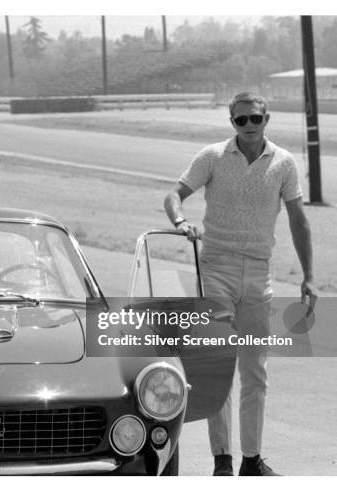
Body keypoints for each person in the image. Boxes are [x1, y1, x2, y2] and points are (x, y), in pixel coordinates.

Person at [163, 92, 316, 476]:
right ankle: (222, 461)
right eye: (240, 120)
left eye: (255, 119)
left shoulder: (283, 163)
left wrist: (309, 277)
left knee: (255, 371)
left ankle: (251, 460)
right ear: (231, 122)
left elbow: (299, 220)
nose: (248, 126)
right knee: (219, 368)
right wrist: (181, 222)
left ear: (268, 119)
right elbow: (174, 195)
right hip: (217, 269)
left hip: (259, 275)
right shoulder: (213, 156)